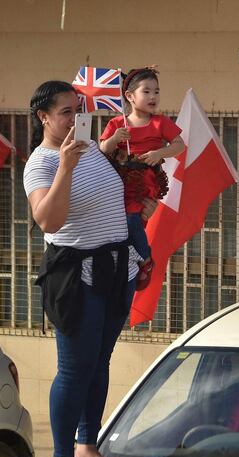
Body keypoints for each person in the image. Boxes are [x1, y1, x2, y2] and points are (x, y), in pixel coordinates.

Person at [24, 81, 153, 457]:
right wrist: (66, 165)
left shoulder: (95, 150)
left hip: (117, 269)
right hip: (78, 276)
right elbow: (48, 220)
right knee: (75, 369)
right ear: (44, 118)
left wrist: (140, 236)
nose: (76, 118)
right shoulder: (42, 163)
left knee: (100, 362)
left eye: (79, 109)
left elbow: (112, 205)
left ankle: (86, 446)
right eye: (66, 111)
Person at [100, 67, 185, 290]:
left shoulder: (160, 122)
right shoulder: (117, 124)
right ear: (129, 96)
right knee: (127, 223)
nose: (153, 97)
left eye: (156, 92)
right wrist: (115, 139)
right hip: (120, 179)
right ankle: (134, 261)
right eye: (146, 92)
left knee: (132, 218)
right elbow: (102, 148)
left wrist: (159, 153)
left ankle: (145, 258)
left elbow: (179, 145)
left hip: (146, 179)